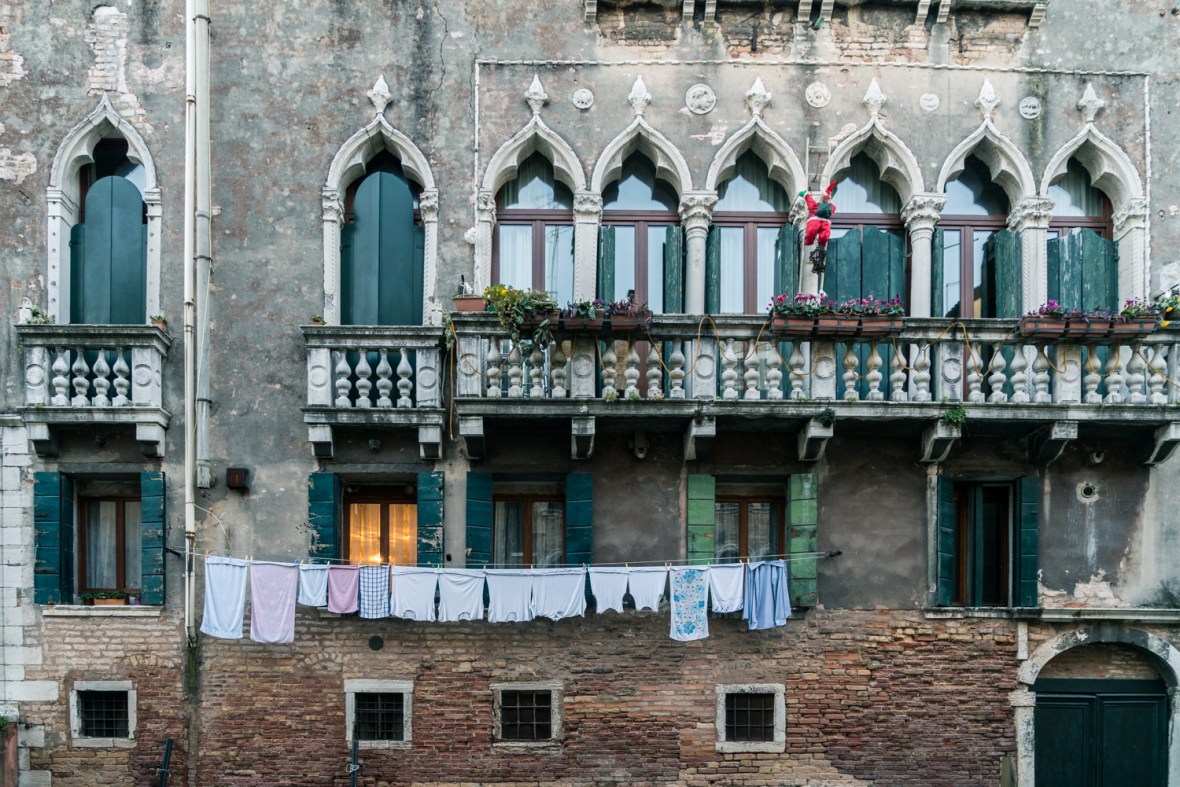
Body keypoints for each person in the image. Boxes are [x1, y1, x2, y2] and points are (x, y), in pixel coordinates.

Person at [799, 180, 838, 272]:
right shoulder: (829, 206)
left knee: (814, 233)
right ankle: (816, 243)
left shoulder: (820, 206)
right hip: (821, 222)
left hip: (818, 222)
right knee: (822, 235)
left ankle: (812, 243)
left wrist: (806, 195)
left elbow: (811, 203)